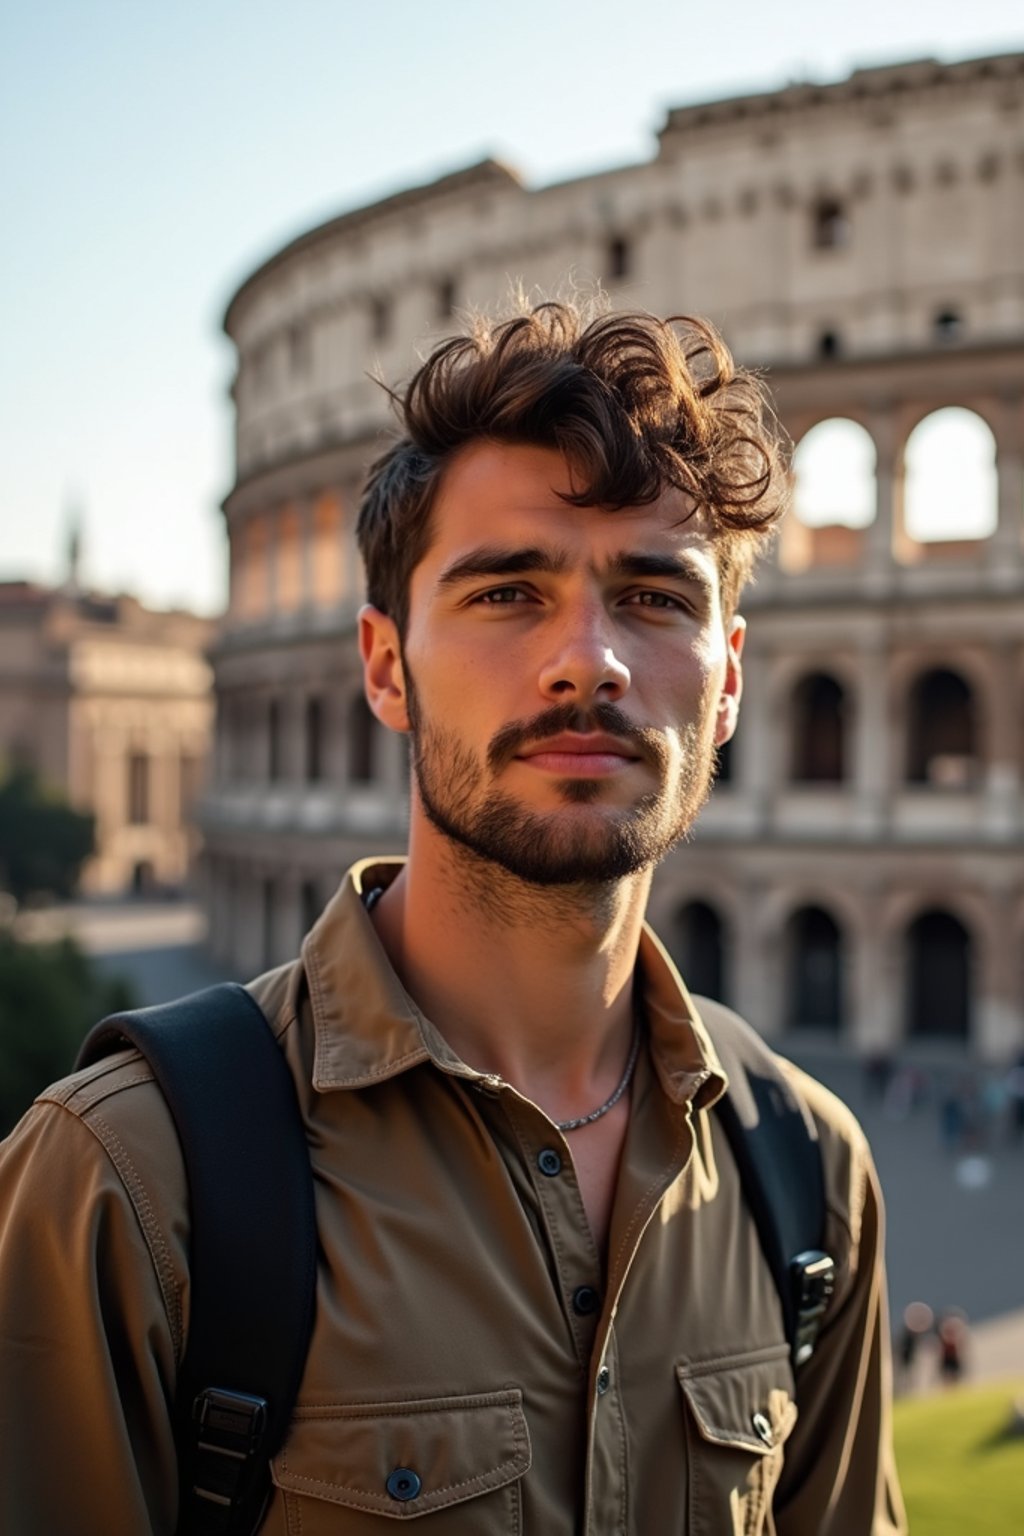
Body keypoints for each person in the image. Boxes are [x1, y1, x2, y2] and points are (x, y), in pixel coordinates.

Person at [0, 301, 906, 1534]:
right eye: (506, 594)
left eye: (652, 597)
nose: (587, 662)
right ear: (384, 666)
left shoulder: (810, 1176)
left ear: (729, 676)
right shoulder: (126, 1181)